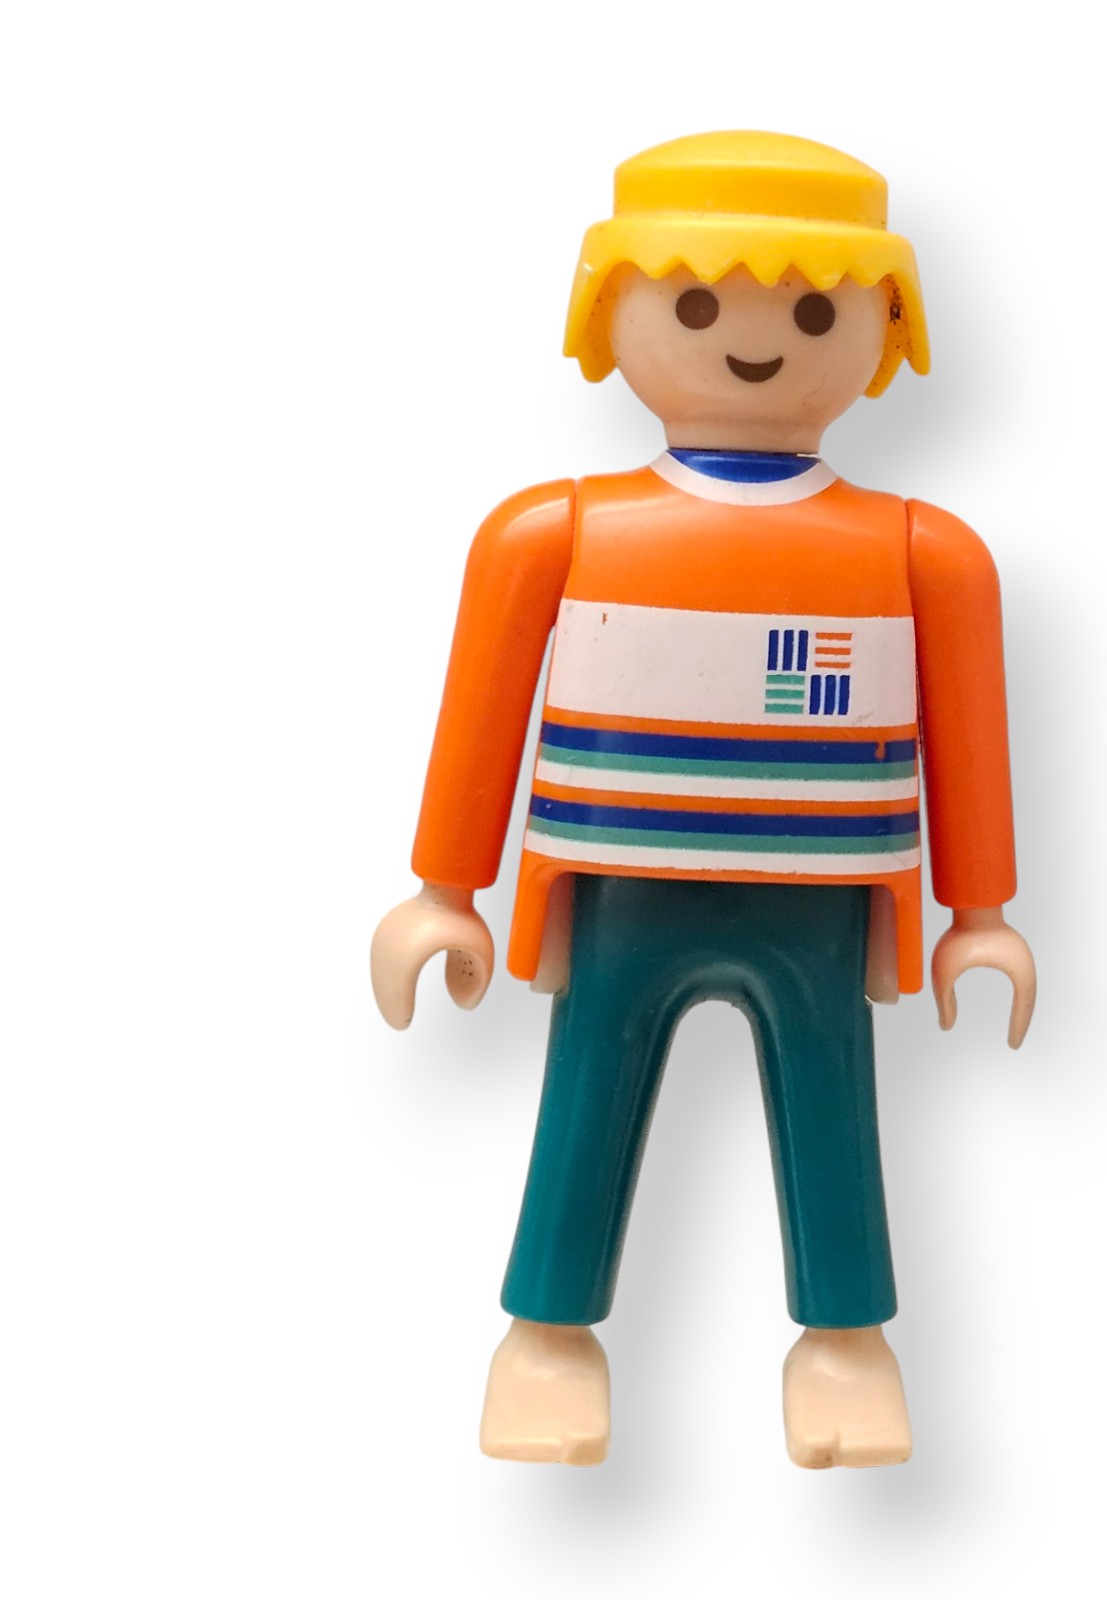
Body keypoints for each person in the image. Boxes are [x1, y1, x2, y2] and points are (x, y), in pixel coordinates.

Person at [371, 130, 1036, 1468]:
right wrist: (443, 888)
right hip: (620, 881)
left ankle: (846, 1343)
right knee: (585, 1101)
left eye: (814, 313)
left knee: (832, 1105)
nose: (754, 344)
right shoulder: (552, 532)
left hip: (822, 894)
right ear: (608, 314)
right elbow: (482, 712)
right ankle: (547, 1338)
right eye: (691, 306)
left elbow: (972, 734)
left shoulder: (925, 553)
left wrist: (981, 912)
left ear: (884, 330)